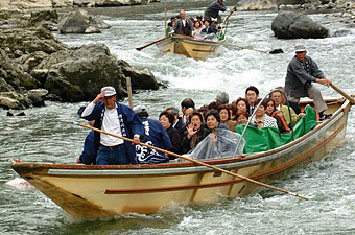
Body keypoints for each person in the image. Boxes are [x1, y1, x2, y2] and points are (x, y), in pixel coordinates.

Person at [81, 86, 143, 165]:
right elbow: (85, 115)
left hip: (120, 149)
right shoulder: (99, 108)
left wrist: (136, 136)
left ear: (115, 97)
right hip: (103, 149)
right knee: (101, 173)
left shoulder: (124, 110)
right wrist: (95, 100)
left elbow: (136, 123)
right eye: (105, 98)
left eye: (110, 98)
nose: (108, 101)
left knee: (122, 174)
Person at [285, 45, 332, 120]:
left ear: (305, 52)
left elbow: (315, 71)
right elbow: (304, 75)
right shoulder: (293, 63)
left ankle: (321, 114)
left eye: (302, 52)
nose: (300, 54)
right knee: (292, 106)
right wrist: (318, 80)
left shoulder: (308, 59)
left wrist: (323, 78)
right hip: (293, 88)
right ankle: (296, 119)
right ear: (296, 53)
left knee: (316, 92)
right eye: (298, 53)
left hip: (306, 85)